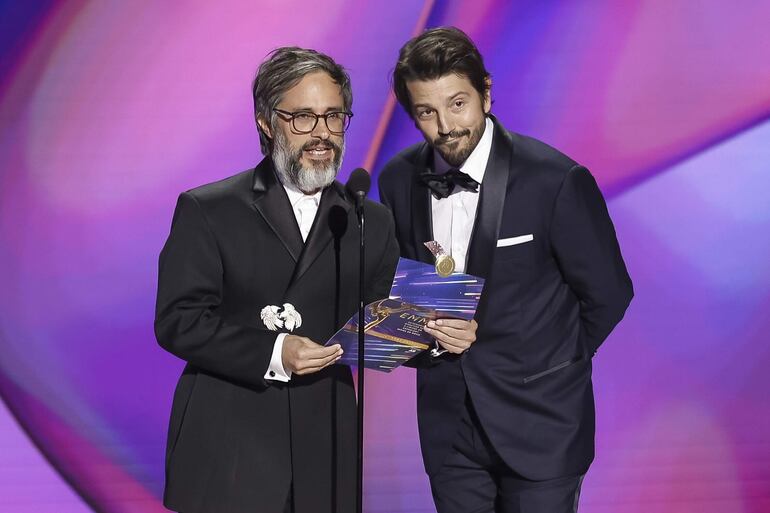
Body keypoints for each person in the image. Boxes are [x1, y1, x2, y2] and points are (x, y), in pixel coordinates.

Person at [378, 27, 633, 513]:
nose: (446, 126)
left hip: (541, 422)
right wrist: (424, 335)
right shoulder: (397, 180)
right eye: (426, 112)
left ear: (486, 94)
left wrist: (545, 366)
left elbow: (609, 293)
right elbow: (404, 287)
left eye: (457, 104)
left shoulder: (555, 180)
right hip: (449, 426)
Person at [155, 47, 399, 513]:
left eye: (333, 116)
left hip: (325, 449)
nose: (322, 134)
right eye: (303, 118)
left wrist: (436, 337)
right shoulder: (210, 209)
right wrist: (275, 352)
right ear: (266, 121)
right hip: (231, 447)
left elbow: (380, 324)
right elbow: (178, 320)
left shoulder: (370, 220)